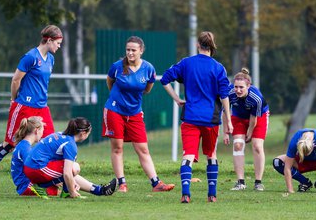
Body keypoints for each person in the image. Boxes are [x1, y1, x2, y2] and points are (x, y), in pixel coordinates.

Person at [0, 25, 63, 193]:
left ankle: (49, 184)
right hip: (24, 106)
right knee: (10, 144)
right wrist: (14, 99)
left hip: (42, 108)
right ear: (50, 40)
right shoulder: (30, 57)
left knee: (51, 143)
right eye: (58, 43)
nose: (59, 46)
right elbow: (16, 80)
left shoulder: (51, 59)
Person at [160, 31, 233, 203]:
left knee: (188, 156)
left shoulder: (186, 63)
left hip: (190, 118)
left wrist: (177, 99)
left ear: (197, 45)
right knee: (211, 154)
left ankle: (185, 193)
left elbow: (164, 79)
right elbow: (224, 96)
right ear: (212, 46)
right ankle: (212, 195)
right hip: (211, 120)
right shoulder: (218, 68)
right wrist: (229, 120)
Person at [102, 36, 175, 193]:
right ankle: (122, 183)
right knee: (117, 147)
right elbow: (109, 81)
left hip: (134, 113)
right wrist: (116, 99)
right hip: (114, 110)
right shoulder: (117, 66)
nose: (130, 53)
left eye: (133, 50)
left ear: (141, 51)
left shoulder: (148, 69)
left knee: (143, 149)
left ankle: (156, 183)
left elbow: (147, 89)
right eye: (128, 50)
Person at [24, 117, 118, 199]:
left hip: (30, 167)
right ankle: (42, 186)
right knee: (74, 168)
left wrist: (72, 182)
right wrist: (73, 190)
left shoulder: (62, 135)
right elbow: (67, 173)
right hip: (36, 169)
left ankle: (100, 190)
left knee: (71, 170)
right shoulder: (70, 144)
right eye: (88, 133)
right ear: (83, 133)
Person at [223, 68, 269, 191]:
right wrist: (225, 132)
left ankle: (258, 182)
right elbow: (225, 112)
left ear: (248, 86)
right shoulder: (229, 93)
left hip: (258, 117)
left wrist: (249, 133)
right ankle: (240, 182)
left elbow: (254, 119)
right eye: (236, 86)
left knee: (257, 146)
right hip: (238, 117)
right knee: (238, 145)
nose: (238, 90)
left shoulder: (256, 98)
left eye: (241, 87)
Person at [11, 116, 58, 196]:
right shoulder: (25, 148)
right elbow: (33, 170)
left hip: (24, 187)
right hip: (28, 187)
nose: (42, 134)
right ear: (36, 131)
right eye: (42, 131)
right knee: (57, 180)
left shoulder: (23, 145)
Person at [273, 129, 316, 193]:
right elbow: (287, 167)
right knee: (277, 162)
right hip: (301, 162)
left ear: (313, 145)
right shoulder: (294, 141)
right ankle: (304, 182)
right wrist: (290, 190)